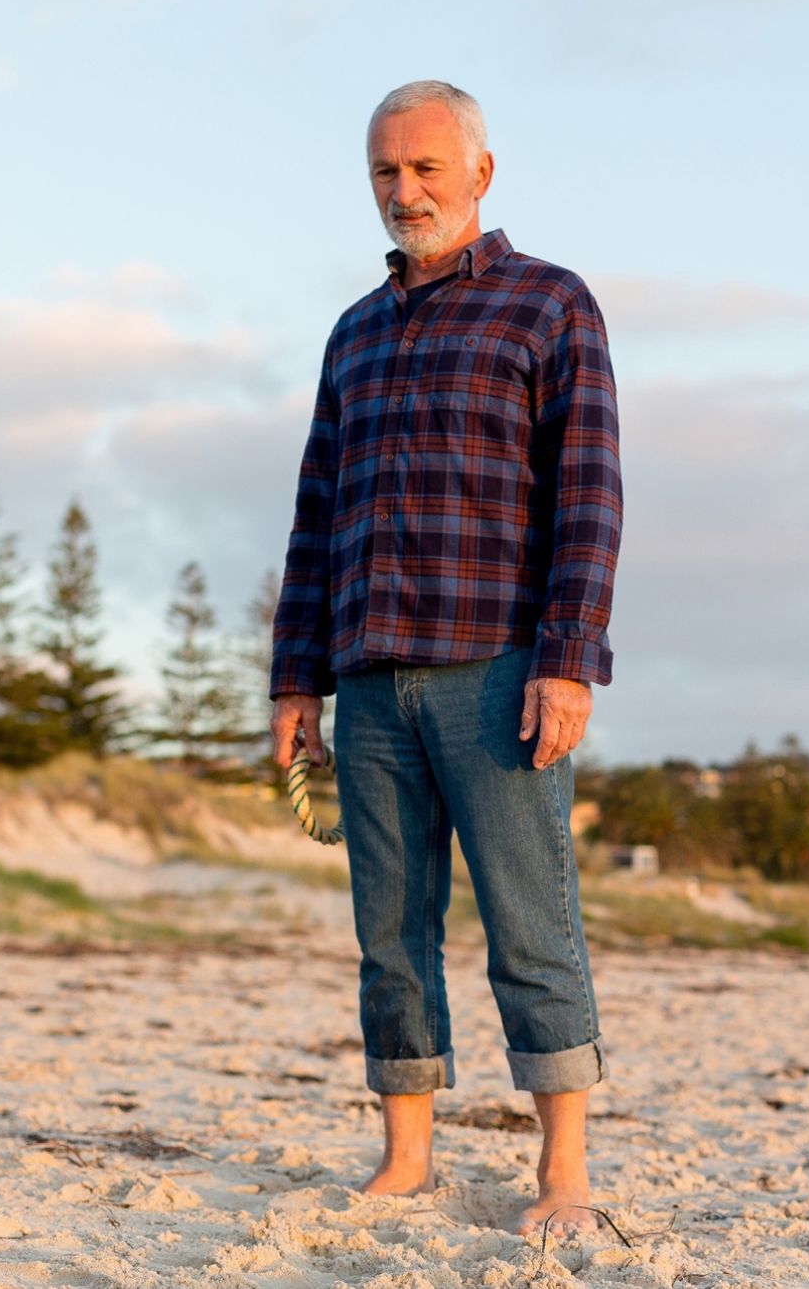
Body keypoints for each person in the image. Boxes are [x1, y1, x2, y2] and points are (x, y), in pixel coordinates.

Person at [269, 81, 622, 1234]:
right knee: (391, 933)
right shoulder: (353, 333)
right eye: (385, 171)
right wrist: (294, 677)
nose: (404, 190)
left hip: (499, 675)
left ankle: (562, 1168)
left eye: (425, 168)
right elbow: (317, 509)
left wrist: (567, 660)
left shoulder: (550, 305)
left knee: (533, 920)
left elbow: (588, 497)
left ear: (480, 172)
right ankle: (406, 1154)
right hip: (369, 681)